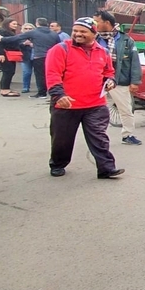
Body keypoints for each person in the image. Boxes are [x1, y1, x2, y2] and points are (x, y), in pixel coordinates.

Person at [45, 17, 123, 180]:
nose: (78, 34)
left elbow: (109, 72)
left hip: (95, 104)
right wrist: (59, 95)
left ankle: (106, 168)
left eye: (83, 31)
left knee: (99, 136)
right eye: (75, 31)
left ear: (94, 34)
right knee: (62, 139)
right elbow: (52, 74)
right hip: (66, 103)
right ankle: (58, 164)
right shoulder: (60, 49)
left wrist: (110, 81)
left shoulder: (103, 52)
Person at [94, 10, 143, 146]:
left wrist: (135, 82)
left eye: (97, 21)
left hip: (119, 79)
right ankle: (96, 137)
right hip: (97, 79)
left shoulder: (126, 40)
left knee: (125, 109)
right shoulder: (93, 38)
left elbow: (134, 62)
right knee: (94, 110)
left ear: (107, 23)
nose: (95, 24)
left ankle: (128, 135)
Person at [0, 17, 62, 98]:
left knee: (40, 75)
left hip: (39, 56)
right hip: (51, 57)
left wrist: (2, 39)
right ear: (47, 24)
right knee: (51, 74)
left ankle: (42, 93)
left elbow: (17, 37)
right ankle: (55, 92)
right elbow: (59, 45)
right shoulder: (54, 34)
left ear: (37, 23)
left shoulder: (34, 32)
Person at [0, 17, 22, 96]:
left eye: (16, 24)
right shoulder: (1, 31)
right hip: (4, 54)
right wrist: (0, 54)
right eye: (13, 24)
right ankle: (4, 90)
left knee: (11, 71)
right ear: (7, 24)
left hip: (10, 54)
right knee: (7, 71)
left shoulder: (11, 32)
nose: (15, 26)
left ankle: (6, 88)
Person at [19, 22, 35, 93]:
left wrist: (32, 44)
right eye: (26, 28)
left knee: (39, 74)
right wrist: (23, 44)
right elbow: (15, 45)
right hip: (25, 57)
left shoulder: (36, 36)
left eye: (30, 29)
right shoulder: (20, 37)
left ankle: (41, 88)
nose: (28, 30)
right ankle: (26, 87)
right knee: (26, 72)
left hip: (36, 57)